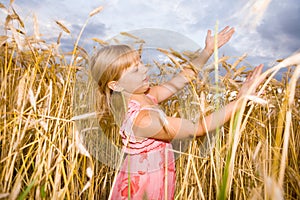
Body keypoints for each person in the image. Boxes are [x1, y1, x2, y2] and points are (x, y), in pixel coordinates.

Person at [89, 26, 264, 200]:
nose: (144, 69)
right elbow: (198, 128)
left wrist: (207, 51)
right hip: (144, 188)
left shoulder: (147, 95)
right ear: (115, 85)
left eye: (140, 62)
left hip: (156, 179)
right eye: (135, 69)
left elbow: (180, 80)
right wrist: (240, 100)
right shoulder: (142, 120)